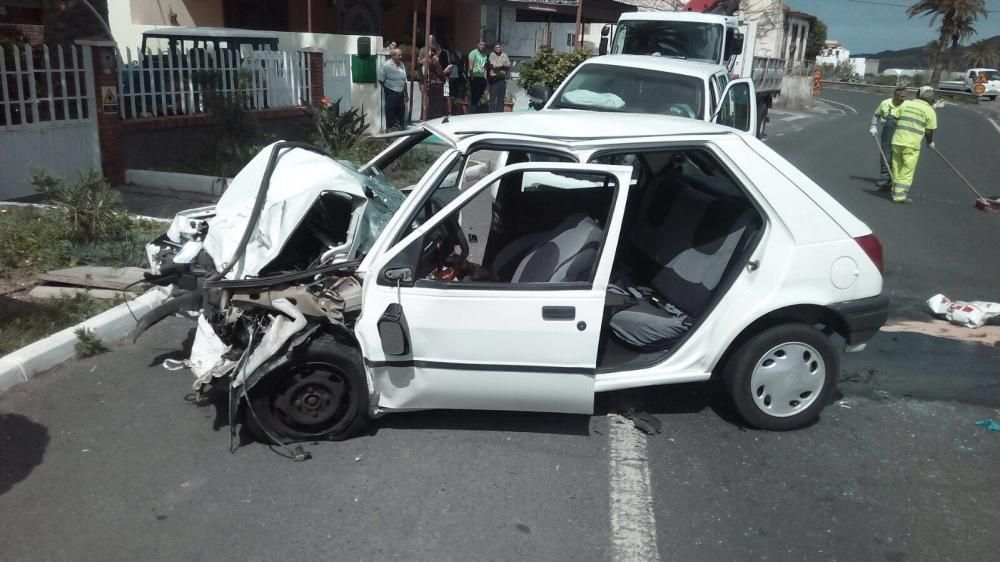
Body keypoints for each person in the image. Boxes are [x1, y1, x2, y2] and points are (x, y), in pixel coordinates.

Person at [889, 85, 938, 204]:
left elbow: (895, 119)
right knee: (907, 170)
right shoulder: (929, 111)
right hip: (911, 144)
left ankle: (895, 190)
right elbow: (929, 130)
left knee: (897, 167)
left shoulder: (905, 104)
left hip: (897, 141)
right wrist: (930, 142)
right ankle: (899, 196)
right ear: (929, 97)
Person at [869, 87, 907, 190]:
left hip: (902, 134)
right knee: (885, 155)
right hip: (888, 133)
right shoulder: (885, 103)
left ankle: (895, 178)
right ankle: (885, 178)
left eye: (905, 96)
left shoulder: (907, 105)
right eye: (901, 97)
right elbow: (876, 114)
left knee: (898, 158)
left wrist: (934, 106)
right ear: (895, 96)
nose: (903, 99)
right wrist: (873, 125)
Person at [380, 48, 407, 129]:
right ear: (393, 56)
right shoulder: (386, 65)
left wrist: (406, 94)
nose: (401, 57)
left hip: (401, 93)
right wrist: (388, 89)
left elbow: (404, 80)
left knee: (401, 113)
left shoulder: (402, 64)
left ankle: (400, 130)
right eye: (399, 55)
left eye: (401, 55)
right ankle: (390, 132)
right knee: (390, 113)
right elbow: (381, 79)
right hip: (391, 93)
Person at [424, 46, 453, 120]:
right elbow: (440, 73)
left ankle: (431, 117)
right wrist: (447, 69)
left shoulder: (429, 60)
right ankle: (435, 119)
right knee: (437, 103)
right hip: (437, 83)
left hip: (432, 83)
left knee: (433, 103)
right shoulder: (435, 60)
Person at [487, 42, 511, 112]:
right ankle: (491, 115)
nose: (498, 49)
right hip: (494, 80)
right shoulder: (492, 55)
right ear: (494, 49)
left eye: (499, 47)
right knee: (493, 99)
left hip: (502, 80)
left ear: (501, 48)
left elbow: (509, 66)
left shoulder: (505, 55)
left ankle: (499, 115)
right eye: (496, 47)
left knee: (501, 99)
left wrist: (501, 66)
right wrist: (503, 65)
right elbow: (494, 66)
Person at [468, 41, 488, 113]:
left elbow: (484, 68)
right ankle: (472, 113)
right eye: (481, 45)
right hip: (474, 77)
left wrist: (485, 79)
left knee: (478, 98)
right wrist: (472, 78)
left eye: (483, 45)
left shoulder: (485, 55)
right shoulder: (473, 53)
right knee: (474, 97)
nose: (482, 46)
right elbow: (470, 67)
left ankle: (475, 112)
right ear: (477, 45)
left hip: (482, 78)